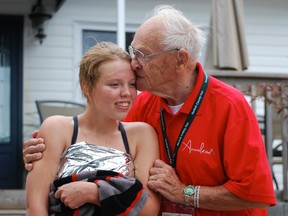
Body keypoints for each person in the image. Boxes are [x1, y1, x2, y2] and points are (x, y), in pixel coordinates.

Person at [23, 5, 276, 216]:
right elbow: (103, 144)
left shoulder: (230, 105)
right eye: (133, 52)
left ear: (180, 59)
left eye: (143, 55)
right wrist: (47, 154)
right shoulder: (143, 102)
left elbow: (256, 194)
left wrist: (185, 193)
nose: (134, 64)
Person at [25, 41, 160, 216]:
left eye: (132, 84)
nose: (126, 92)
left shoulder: (142, 134)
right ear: (86, 87)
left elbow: (149, 209)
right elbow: (36, 207)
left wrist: (94, 193)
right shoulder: (57, 129)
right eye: (114, 84)